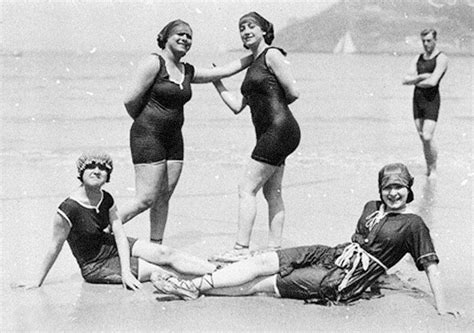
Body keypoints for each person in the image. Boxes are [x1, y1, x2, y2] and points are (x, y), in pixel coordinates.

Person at [151, 163, 461, 317]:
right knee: (261, 261)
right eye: (387, 187)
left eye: (399, 187)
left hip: (343, 279)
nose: (393, 193)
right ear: (380, 189)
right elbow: (365, 243)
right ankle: (194, 283)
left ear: (409, 188)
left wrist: (442, 308)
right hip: (332, 254)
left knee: (264, 284)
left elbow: (430, 266)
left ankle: (191, 287)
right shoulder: (371, 207)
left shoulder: (414, 224)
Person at [119, 19, 253, 245]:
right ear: (166, 37)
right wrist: (146, 123)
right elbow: (130, 99)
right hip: (147, 137)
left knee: (163, 198)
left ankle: (156, 246)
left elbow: (222, 72)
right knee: (145, 199)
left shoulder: (187, 71)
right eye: (179, 34)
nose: (185, 39)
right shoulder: (154, 62)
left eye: (189, 36)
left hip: (174, 140)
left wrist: (258, 53)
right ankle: (98, 229)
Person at [14, 152, 216, 290]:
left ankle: (220, 272)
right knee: (160, 270)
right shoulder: (69, 208)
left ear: (107, 176)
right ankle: (216, 283)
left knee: (165, 253)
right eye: (90, 166)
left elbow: (118, 234)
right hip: (96, 265)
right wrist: (37, 281)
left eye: (103, 168)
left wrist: (126, 270)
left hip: (110, 246)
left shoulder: (106, 198)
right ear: (80, 172)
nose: (96, 170)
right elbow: (54, 246)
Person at [209, 12, 301, 262]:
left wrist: (276, 106)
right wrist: (217, 82)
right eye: (242, 28)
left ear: (264, 30)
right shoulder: (253, 63)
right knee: (272, 193)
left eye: (251, 26)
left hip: (278, 130)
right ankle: (274, 250)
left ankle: (240, 249)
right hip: (277, 132)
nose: (246, 31)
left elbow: (293, 91)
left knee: (246, 188)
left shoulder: (272, 54)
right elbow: (238, 105)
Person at [402, 28, 448, 178]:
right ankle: (429, 168)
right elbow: (405, 79)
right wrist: (422, 76)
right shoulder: (418, 58)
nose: (426, 44)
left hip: (431, 100)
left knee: (428, 136)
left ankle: (433, 169)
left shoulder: (441, 58)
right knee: (423, 137)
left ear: (435, 40)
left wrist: (416, 81)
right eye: (423, 41)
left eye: (429, 40)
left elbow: (433, 82)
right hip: (417, 100)